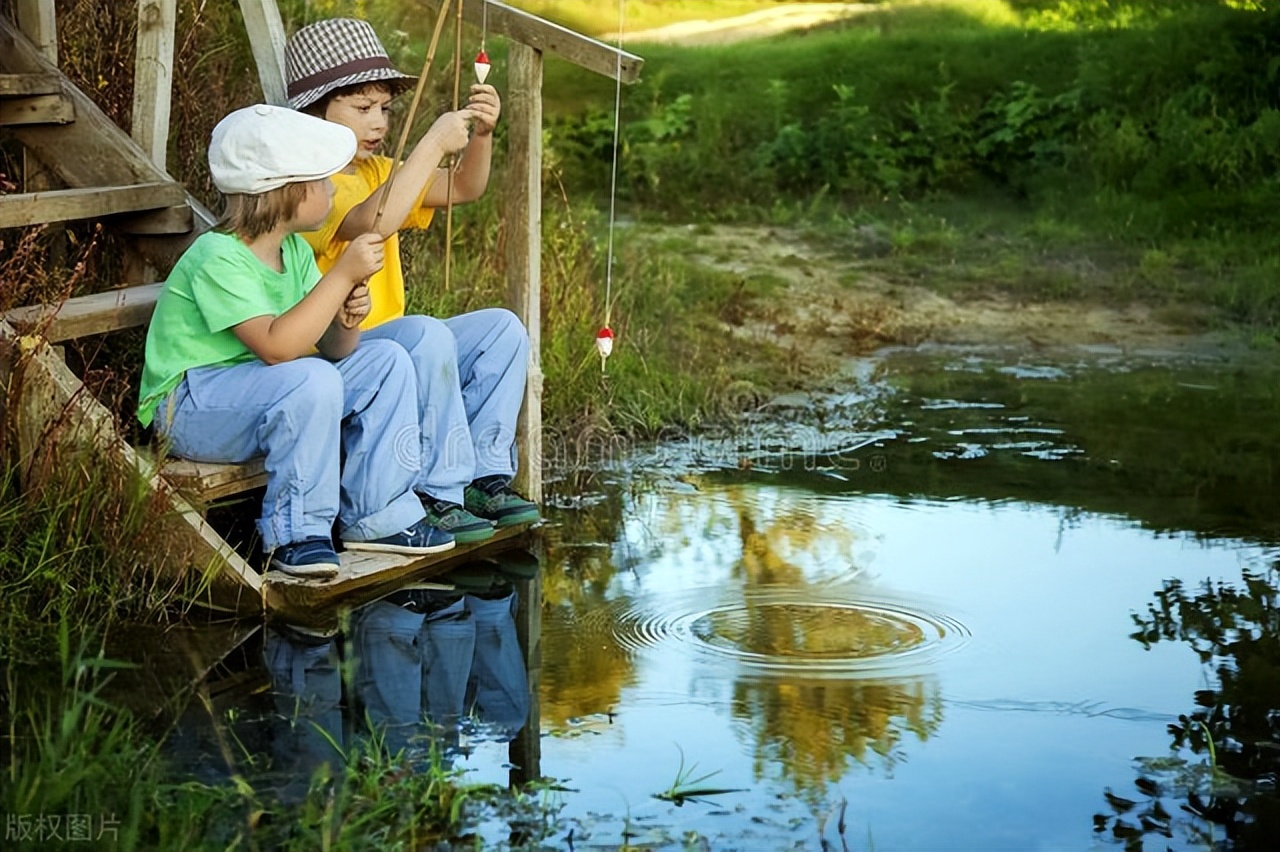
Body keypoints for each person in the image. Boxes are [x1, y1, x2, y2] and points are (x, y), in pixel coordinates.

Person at [137, 104, 457, 578]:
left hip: (261, 390)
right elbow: (277, 347)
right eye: (324, 181)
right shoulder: (216, 257)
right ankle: (295, 534)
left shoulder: (292, 252)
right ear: (286, 190)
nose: (333, 189)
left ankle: (377, 515)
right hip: (189, 405)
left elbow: (335, 350)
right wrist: (343, 272)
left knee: (385, 358)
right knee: (310, 379)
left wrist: (347, 312)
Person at [284, 18, 540, 546]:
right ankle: (432, 492)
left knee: (503, 329)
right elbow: (376, 221)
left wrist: (482, 136)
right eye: (361, 108)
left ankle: (484, 477)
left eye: (384, 109)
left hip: (396, 346)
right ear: (314, 111)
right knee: (425, 333)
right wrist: (429, 144)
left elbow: (467, 187)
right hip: (341, 350)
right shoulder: (306, 186)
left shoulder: (380, 170)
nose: (377, 122)